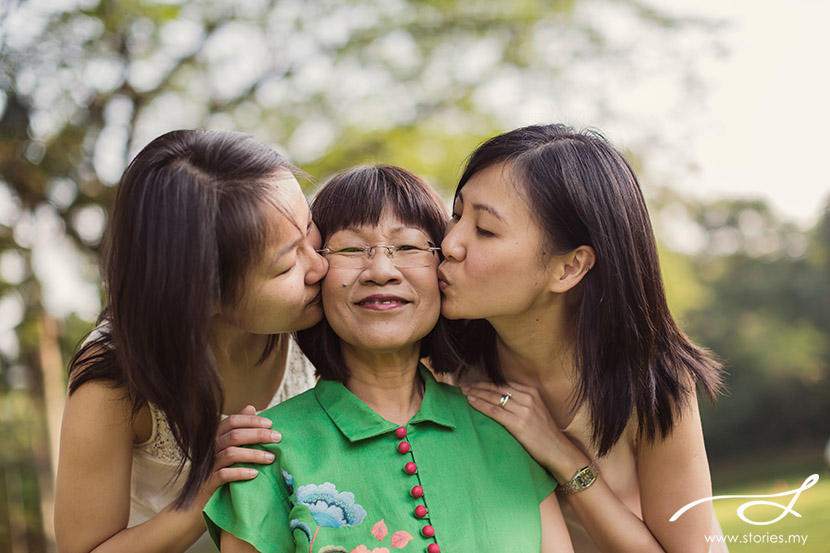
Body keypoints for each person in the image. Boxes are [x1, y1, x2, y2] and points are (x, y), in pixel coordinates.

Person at [204, 165, 575, 553]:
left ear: (443, 268)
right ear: (315, 272)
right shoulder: (263, 455)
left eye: (409, 247)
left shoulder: (508, 427)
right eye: (349, 249)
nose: (381, 271)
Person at [439, 124, 726, 553]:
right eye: (457, 215)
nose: (449, 243)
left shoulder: (653, 384)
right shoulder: (444, 370)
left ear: (569, 268)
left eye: (484, 230)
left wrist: (563, 456)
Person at [54, 129, 328, 553]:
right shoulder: (114, 379)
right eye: (287, 264)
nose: (319, 265)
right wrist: (203, 492)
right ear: (204, 293)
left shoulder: (313, 313)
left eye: (309, 229)